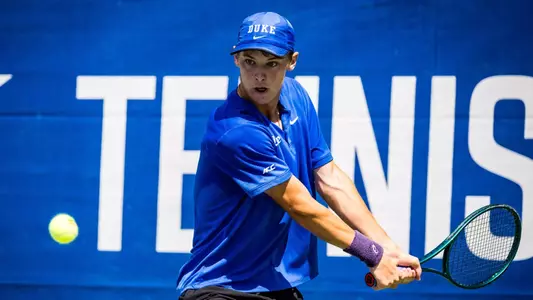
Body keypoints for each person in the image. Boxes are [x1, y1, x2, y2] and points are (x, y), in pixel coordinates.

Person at [176, 11, 422, 300]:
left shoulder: (295, 96)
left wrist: (385, 245)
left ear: (292, 61)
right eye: (249, 62)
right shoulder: (234, 131)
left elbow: (329, 178)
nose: (259, 75)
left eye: (272, 64)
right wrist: (372, 254)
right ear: (236, 60)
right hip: (220, 288)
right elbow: (300, 205)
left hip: (274, 286)